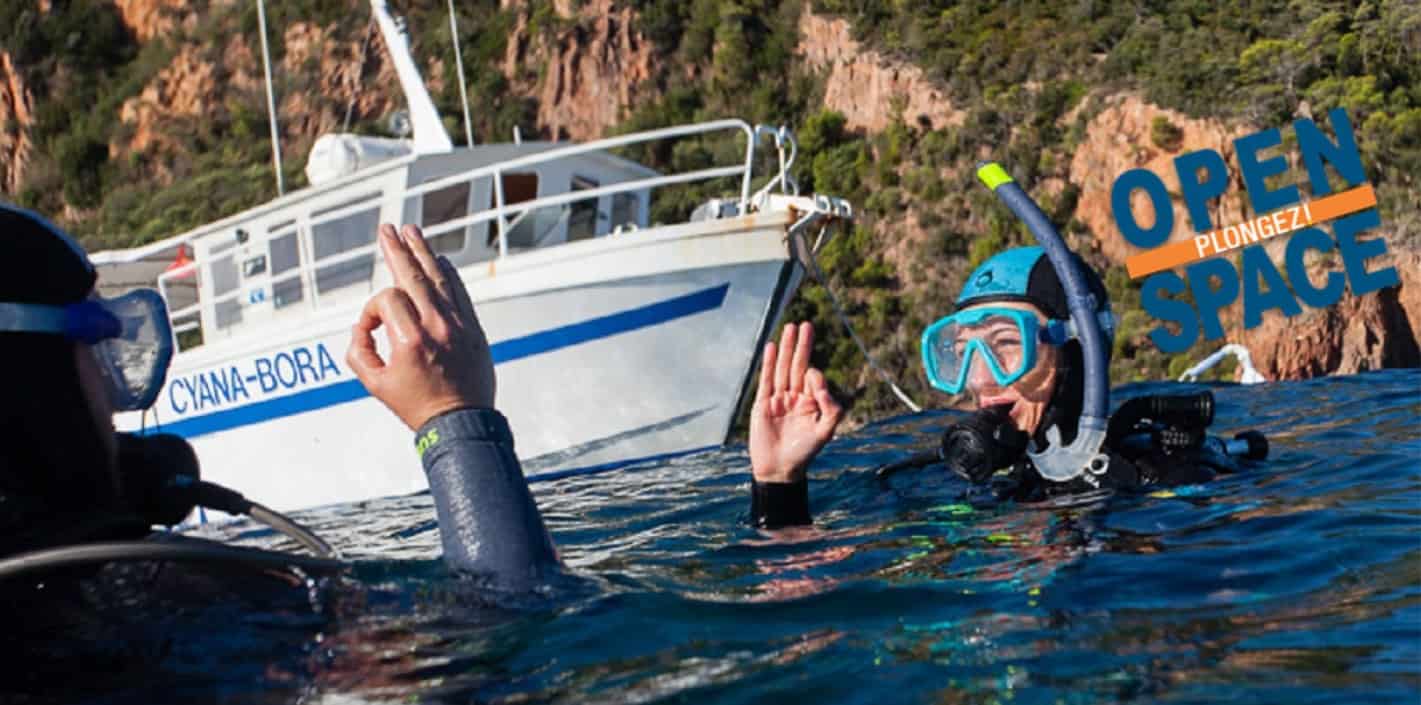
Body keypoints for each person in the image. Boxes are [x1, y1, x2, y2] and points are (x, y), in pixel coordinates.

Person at [0, 207, 558, 690]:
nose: (112, 395)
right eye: (101, 356)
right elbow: (503, 646)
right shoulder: (181, 608)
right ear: (40, 389)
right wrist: (455, 418)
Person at [748, 246, 1255, 529]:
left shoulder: (1161, 482)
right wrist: (778, 482)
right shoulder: (950, 484)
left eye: (1006, 343)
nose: (980, 377)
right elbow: (799, 584)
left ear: (1079, 354)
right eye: (961, 348)